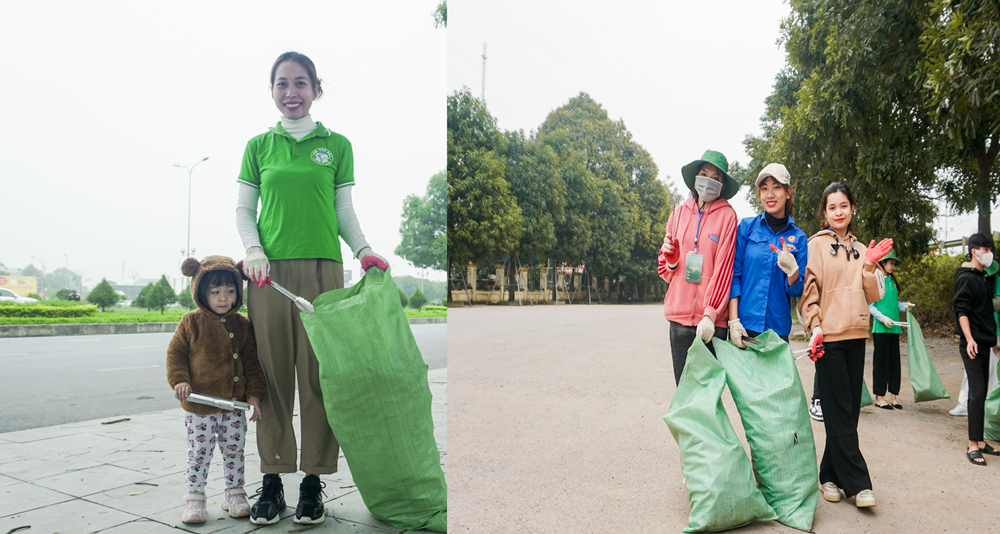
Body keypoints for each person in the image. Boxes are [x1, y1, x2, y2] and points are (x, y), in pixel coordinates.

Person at [235, 51, 389, 525]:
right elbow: (243, 209)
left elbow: (343, 209)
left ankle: (312, 484)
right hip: (268, 278)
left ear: (316, 90)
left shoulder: (336, 145)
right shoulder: (259, 146)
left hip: (324, 274)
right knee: (273, 377)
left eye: (300, 83)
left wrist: (364, 250)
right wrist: (254, 250)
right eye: (282, 83)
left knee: (319, 379)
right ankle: (272, 480)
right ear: (273, 91)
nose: (291, 92)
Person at [798, 182, 891, 508]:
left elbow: (874, 294)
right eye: (832, 207)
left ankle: (829, 476)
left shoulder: (863, 248)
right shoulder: (816, 246)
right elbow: (808, 291)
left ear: (852, 209)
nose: (838, 212)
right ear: (825, 213)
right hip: (828, 336)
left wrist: (869, 266)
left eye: (844, 206)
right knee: (838, 410)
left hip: (856, 335)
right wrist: (815, 326)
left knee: (847, 411)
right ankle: (860, 484)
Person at [166, 256, 265, 524]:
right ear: (201, 292)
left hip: (233, 408)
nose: (224, 298)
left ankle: (234, 493)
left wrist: (254, 395)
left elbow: (253, 364)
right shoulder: (191, 322)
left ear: (238, 292)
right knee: (199, 452)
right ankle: (195, 498)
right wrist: (180, 381)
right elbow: (176, 355)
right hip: (199, 407)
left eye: (230, 291)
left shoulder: (243, 325)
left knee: (234, 450)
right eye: (216, 292)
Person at [659, 149, 740, 385]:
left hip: (711, 324)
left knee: (706, 399)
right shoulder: (678, 214)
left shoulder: (728, 217)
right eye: (704, 174)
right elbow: (665, 269)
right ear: (695, 178)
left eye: (715, 178)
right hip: (680, 321)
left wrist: (710, 314)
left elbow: (724, 270)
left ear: (723, 185)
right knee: (684, 393)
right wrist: (672, 260)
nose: (708, 181)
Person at [727, 163, 807, 347]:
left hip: (777, 330)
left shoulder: (799, 238)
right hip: (744, 326)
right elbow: (734, 276)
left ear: (787, 193)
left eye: (776, 187)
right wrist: (733, 321)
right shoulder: (746, 228)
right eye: (764, 189)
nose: (769, 194)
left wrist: (792, 271)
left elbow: (796, 291)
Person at [952, 232, 999, 466]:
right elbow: (961, 311)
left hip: (985, 342)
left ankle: (980, 441)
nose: (989, 253)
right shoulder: (966, 278)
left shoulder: (984, 277)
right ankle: (972, 444)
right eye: (986, 249)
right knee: (977, 392)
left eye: (991, 249)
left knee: (982, 392)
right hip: (971, 344)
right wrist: (969, 339)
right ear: (974, 251)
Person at [950, 256, 1000, 416]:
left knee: (992, 373)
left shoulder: (994, 281)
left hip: (992, 332)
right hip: (973, 332)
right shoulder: (970, 278)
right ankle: (965, 403)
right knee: (971, 372)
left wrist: (983, 300)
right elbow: (962, 307)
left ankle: (990, 408)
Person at [867, 249, 915, 409]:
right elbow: (870, 306)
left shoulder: (892, 282)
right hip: (881, 329)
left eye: (894, 263)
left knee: (895, 363)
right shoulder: (875, 279)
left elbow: (894, 304)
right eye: (891, 262)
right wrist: (882, 318)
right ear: (882, 262)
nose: (893, 265)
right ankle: (879, 397)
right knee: (881, 363)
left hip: (895, 329)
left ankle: (894, 396)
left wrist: (904, 306)